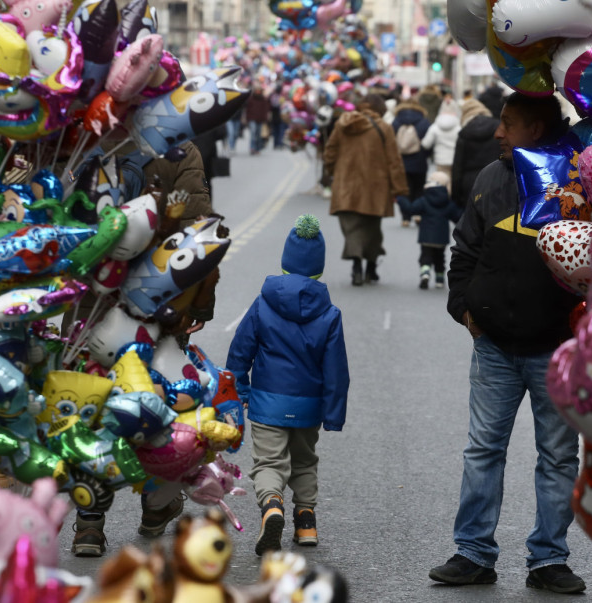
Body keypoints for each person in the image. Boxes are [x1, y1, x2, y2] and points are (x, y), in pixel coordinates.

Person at [430, 92, 585, 594]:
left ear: (536, 131)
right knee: (482, 451)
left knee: (559, 458)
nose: (498, 132)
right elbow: (465, 250)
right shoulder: (492, 177)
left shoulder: (576, 182)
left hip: (557, 352)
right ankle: (473, 552)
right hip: (494, 347)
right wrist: (466, 310)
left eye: (508, 124)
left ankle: (548, 560)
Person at [68, 140, 215, 557]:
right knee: (163, 408)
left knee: (93, 408)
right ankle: (157, 506)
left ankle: (90, 521)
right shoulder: (183, 150)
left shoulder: (97, 138)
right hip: (158, 306)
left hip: (93, 304)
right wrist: (200, 305)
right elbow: (197, 231)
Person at [226, 214, 349, 556]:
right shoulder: (329, 313)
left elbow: (240, 352)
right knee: (305, 461)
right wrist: (333, 414)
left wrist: (241, 394)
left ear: (284, 263)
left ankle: (272, 506)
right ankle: (306, 522)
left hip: (268, 403)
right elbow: (337, 370)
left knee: (268, 463)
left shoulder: (264, 303)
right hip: (309, 405)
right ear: (319, 269)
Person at [323, 94, 409, 286]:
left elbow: (330, 151)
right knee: (372, 228)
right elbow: (393, 160)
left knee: (351, 227)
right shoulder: (384, 128)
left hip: (345, 185)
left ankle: (356, 266)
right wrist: (400, 187)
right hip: (375, 187)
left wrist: (332, 172)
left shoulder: (342, 124)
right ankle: (370, 267)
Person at [396, 171, 462, 289]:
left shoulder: (424, 200)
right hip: (441, 239)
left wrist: (401, 198)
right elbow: (458, 217)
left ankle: (425, 273)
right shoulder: (448, 203)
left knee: (425, 256)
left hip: (426, 236)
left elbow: (410, 209)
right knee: (439, 258)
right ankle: (439, 279)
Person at [450, 99, 501, 210]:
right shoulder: (498, 127)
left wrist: (455, 196)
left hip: (470, 183)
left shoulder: (464, 132)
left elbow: (457, 167)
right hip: (495, 180)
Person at [390, 97, 431, 227]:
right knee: (419, 188)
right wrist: (425, 155)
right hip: (419, 161)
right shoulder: (424, 121)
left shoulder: (396, 121)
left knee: (404, 190)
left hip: (401, 161)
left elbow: (391, 142)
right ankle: (418, 214)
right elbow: (428, 144)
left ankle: (405, 217)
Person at [421, 101, 461, 188]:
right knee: (452, 183)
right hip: (454, 159)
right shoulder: (459, 128)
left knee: (442, 183)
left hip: (440, 160)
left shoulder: (435, 127)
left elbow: (426, 144)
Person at [245, 82, 271, 155]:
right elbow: (247, 110)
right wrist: (247, 119)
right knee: (253, 133)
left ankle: (257, 148)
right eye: (257, 90)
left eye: (259, 90)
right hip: (252, 119)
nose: (258, 92)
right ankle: (252, 148)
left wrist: (265, 119)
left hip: (260, 119)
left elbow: (266, 110)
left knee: (258, 135)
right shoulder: (250, 99)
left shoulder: (264, 99)